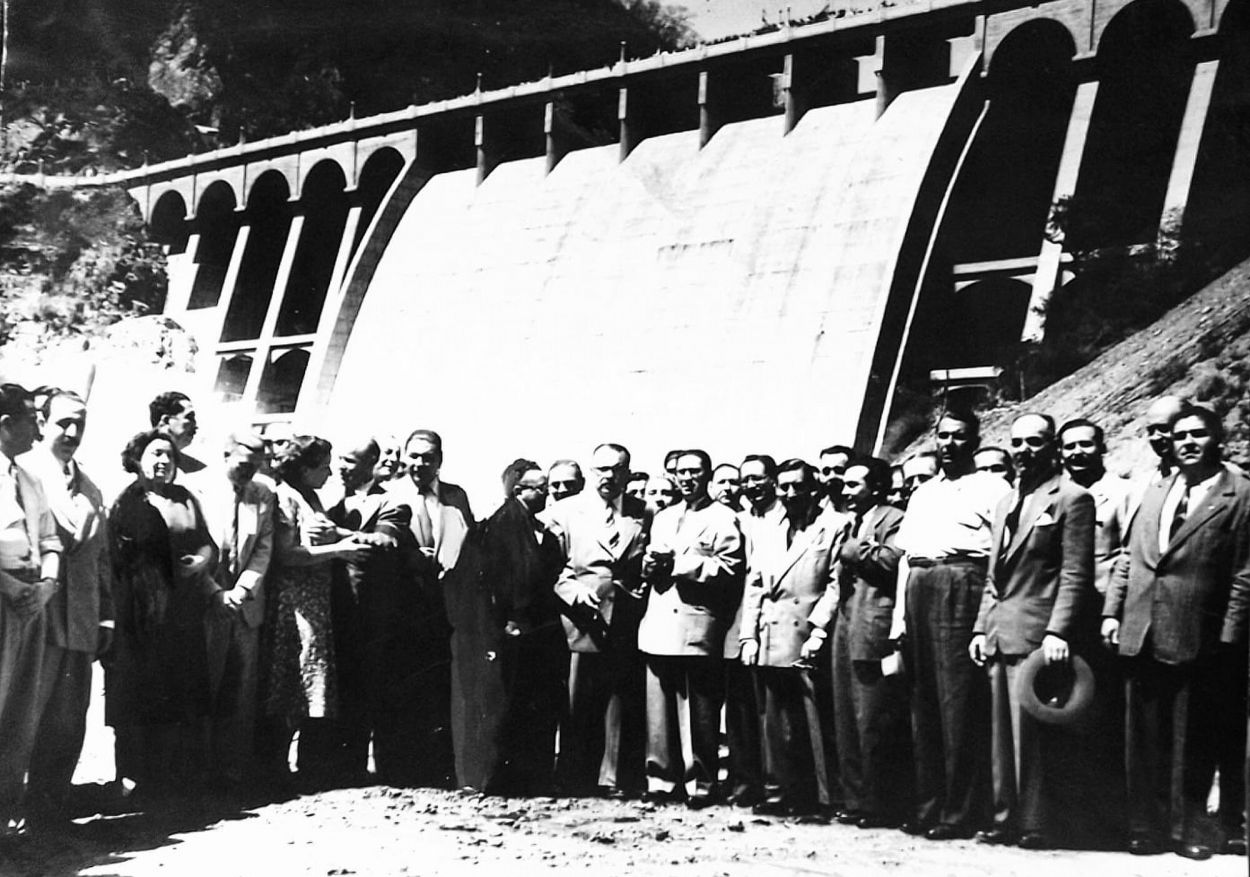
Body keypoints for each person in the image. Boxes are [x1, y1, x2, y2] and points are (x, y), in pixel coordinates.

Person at [1103, 404, 1250, 860]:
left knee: (1193, 739)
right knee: (1143, 737)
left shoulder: (1239, 494)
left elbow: (1246, 573)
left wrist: (1229, 637)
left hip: (1197, 633)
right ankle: (1145, 826)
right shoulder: (1158, 487)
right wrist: (1112, 612)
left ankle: (1191, 829)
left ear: (1217, 440)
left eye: (1197, 435)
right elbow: (1131, 555)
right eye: (1179, 434)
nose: (1186, 442)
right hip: (1141, 627)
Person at [969, 414, 1095, 849]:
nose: (1024, 451)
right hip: (1000, 630)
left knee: (1033, 735)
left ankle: (1036, 823)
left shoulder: (1072, 498)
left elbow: (1076, 572)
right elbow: (992, 576)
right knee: (1000, 734)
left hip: (1040, 633)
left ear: (1052, 445)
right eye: (1017, 443)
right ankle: (1005, 817)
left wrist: (1059, 630)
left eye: (1035, 442)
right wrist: (980, 627)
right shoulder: (1005, 501)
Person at [892, 410, 1010, 840]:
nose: (949, 444)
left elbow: (1001, 553)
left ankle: (960, 812)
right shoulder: (923, 492)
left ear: (974, 442)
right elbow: (906, 556)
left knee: (957, 703)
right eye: (943, 436)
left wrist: (984, 616)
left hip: (962, 581)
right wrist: (900, 617)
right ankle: (929, 805)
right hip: (921, 584)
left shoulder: (993, 487)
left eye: (959, 437)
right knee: (923, 700)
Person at [106, 429, 216, 799]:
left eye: (169, 456)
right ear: (137, 459)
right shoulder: (126, 503)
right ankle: (133, 778)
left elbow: (207, 543)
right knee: (139, 695)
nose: (163, 461)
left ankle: (174, 779)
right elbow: (119, 562)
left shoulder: (186, 499)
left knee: (180, 691)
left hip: (183, 612)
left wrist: (200, 562)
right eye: (155, 454)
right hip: (141, 614)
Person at [739, 459, 851, 817]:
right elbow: (755, 585)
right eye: (784, 487)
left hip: (806, 633)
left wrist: (819, 629)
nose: (789, 494)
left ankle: (817, 798)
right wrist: (748, 636)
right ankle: (778, 792)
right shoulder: (769, 529)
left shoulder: (834, 526)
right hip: (770, 632)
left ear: (812, 488)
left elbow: (836, 585)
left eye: (797, 487)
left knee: (810, 719)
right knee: (773, 720)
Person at [22, 390, 110, 828]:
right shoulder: (23, 474)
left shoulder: (91, 486)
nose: (73, 432)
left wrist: (106, 615)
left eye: (80, 423)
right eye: (64, 423)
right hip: (35, 619)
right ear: (42, 422)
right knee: (24, 719)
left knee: (69, 721)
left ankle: (48, 812)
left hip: (80, 622)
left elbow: (102, 559)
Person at [543, 442, 650, 798]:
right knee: (578, 700)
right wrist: (573, 592)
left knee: (620, 699)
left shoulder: (642, 511)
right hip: (581, 617)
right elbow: (551, 567)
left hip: (626, 616)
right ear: (591, 472)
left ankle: (614, 779)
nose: (609, 476)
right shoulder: (566, 512)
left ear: (627, 472)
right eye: (601, 469)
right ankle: (574, 776)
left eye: (616, 469)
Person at [638, 450, 743, 808]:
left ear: (708, 475)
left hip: (697, 622)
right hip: (660, 622)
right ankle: (661, 781)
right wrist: (651, 565)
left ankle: (702, 782)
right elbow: (651, 563)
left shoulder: (724, 517)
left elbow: (729, 569)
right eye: (681, 473)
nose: (686, 479)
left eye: (694, 472)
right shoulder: (663, 516)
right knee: (660, 709)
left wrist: (680, 564)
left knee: (700, 710)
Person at [264, 435, 369, 789]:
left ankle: (298, 767)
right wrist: (340, 551)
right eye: (322, 466)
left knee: (306, 682)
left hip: (314, 602)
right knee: (289, 679)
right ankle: (275, 766)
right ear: (304, 468)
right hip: (295, 603)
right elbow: (287, 554)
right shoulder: (285, 499)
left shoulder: (311, 498)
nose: (328, 472)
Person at [812, 458, 909, 829]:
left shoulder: (894, 518)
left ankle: (879, 803)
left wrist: (854, 550)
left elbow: (892, 562)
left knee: (874, 719)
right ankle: (854, 799)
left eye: (855, 485)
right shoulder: (850, 522)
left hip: (874, 627)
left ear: (878, 487)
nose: (846, 490)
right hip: (845, 627)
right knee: (847, 719)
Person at [382, 428, 473, 787]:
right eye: (414, 456)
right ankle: (399, 770)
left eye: (428, 457)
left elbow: (467, 540)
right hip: (401, 606)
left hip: (443, 606)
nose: (420, 463)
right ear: (404, 457)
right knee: (402, 685)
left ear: (440, 460)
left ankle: (436, 766)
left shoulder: (455, 496)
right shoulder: (389, 495)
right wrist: (408, 559)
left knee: (438, 686)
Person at [324, 437, 411, 785]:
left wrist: (337, 535)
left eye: (349, 460)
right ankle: (319, 764)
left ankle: (351, 767)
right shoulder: (326, 497)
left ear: (371, 463)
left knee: (358, 684)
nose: (341, 467)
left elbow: (384, 542)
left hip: (364, 611)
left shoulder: (391, 501)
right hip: (323, 603)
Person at [477, 460, 564, 794]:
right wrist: (507, 621)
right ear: (520, 490)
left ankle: (533, 776)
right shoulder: (502, 525)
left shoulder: (534, 526)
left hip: (538, 628)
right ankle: (506, 779)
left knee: (537, 703)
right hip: (515, 628)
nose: (547, 495)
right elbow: (498, 581)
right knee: (514, 704)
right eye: (541, 489)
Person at [0, 384, 63, 834]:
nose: (38, 431)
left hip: (33, 602)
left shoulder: (30, 479)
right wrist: (6, 585)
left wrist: (47, 584)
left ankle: (5, 811)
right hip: (3, 599)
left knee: (21, 711)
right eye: (30, 420)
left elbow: (51, 539)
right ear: (5, 425)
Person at [200, 431, 274, 790]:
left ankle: (231, 774)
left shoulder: (262, 495)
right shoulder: (198, 490)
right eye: (244, 464)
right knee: (206, 684)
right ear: (226, 454)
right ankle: (198, 770)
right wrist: (216, 593)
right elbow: (193, 546)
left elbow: (263, 546)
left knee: (240, 690)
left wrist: (242, 590)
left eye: (256, 466)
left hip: (244, 608)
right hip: (207, 604)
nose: (250, 472)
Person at [725, 454, 782, 807]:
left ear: (772, 480)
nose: (751, 485)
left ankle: (778, 784)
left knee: (773, 709)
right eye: (746, 479)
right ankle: (745, 784)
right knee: (741, 708)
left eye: (758, 478)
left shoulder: (785, 518)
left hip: (777, 621)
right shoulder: (739, 520)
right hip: (738, 620)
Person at [1059, 419, 1129, 596]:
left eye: (1085, 444)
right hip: (1062, 600)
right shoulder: (1055, 495)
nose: (1077, 452)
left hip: (1104, 598)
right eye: (1070, 447)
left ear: (1102, 448)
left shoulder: (1125, 492)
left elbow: (1129, 556)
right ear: (1060, 452)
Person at [149, 391, 206, 475]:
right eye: (189, 417)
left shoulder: (197, 469)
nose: (195, 426)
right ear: (166, 421)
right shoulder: (135, 462)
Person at [817, 445, 853, 513]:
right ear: (821, 476)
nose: (832, 476)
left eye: (839, 470)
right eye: (826, 471)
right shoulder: (816, 511)